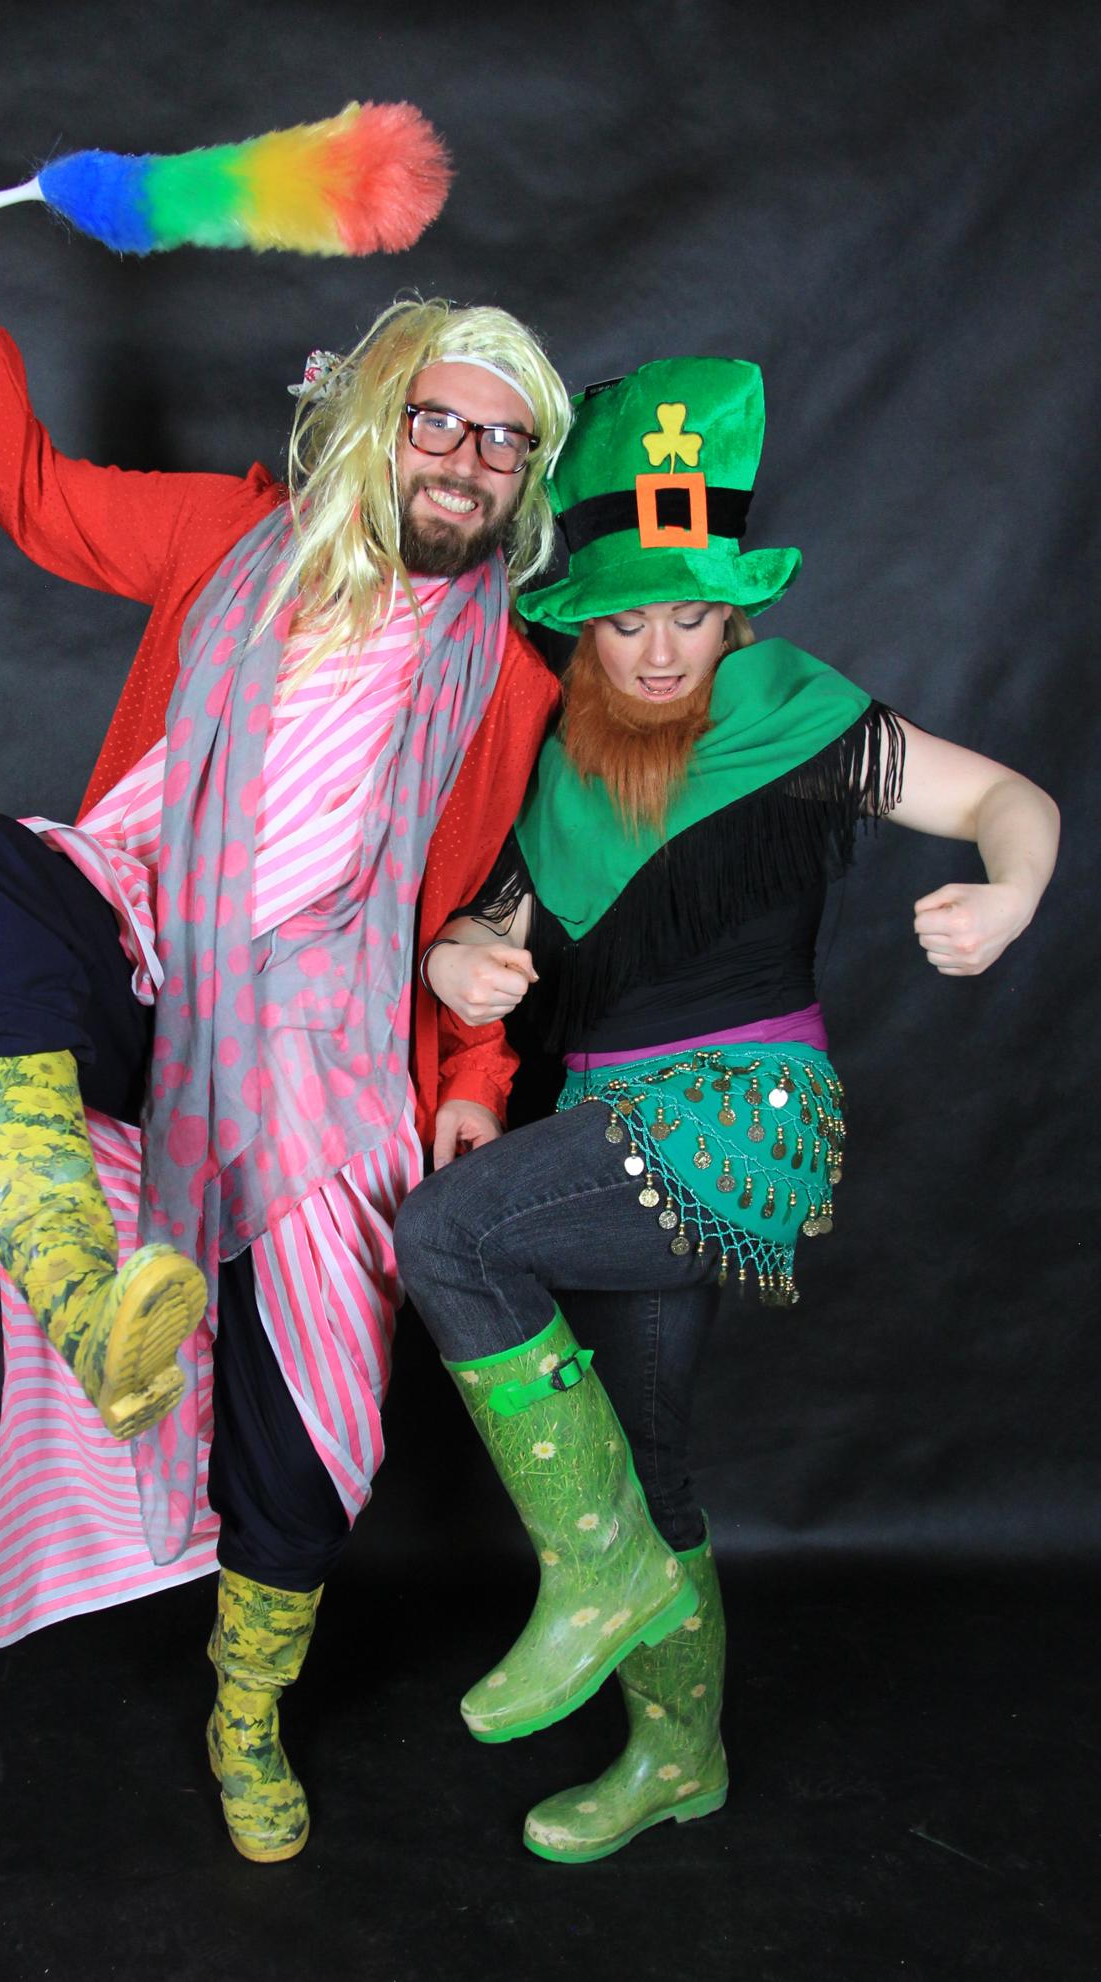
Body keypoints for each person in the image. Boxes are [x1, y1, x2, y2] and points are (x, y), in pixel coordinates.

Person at [0, 169, 571, 1862]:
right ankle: (88, 1296)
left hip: (331, 1053)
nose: (465, 461)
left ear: (527, 480)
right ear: (380, 425)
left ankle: (245, 1709)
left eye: (502, 444)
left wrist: (475, 1065)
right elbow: (34, 493)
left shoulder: (516, 678)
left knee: (312, 1425)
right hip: (139, 948)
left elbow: (494, 908)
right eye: (440, 423)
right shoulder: (231, 540)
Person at [393, 356, 1059, 1863]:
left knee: (445, 1236)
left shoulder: (790, 712)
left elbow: (1005, 799)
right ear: (584, 617)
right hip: (601, 1130)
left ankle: (595, 1571)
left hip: (741, 1120)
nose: (660, 649)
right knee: (648, 1459)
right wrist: (457, 960)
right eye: (628, 617)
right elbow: (487, 924)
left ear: (732, 612)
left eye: (691, 616)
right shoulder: (557, 757)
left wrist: (1012, 891)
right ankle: (678, 1755)